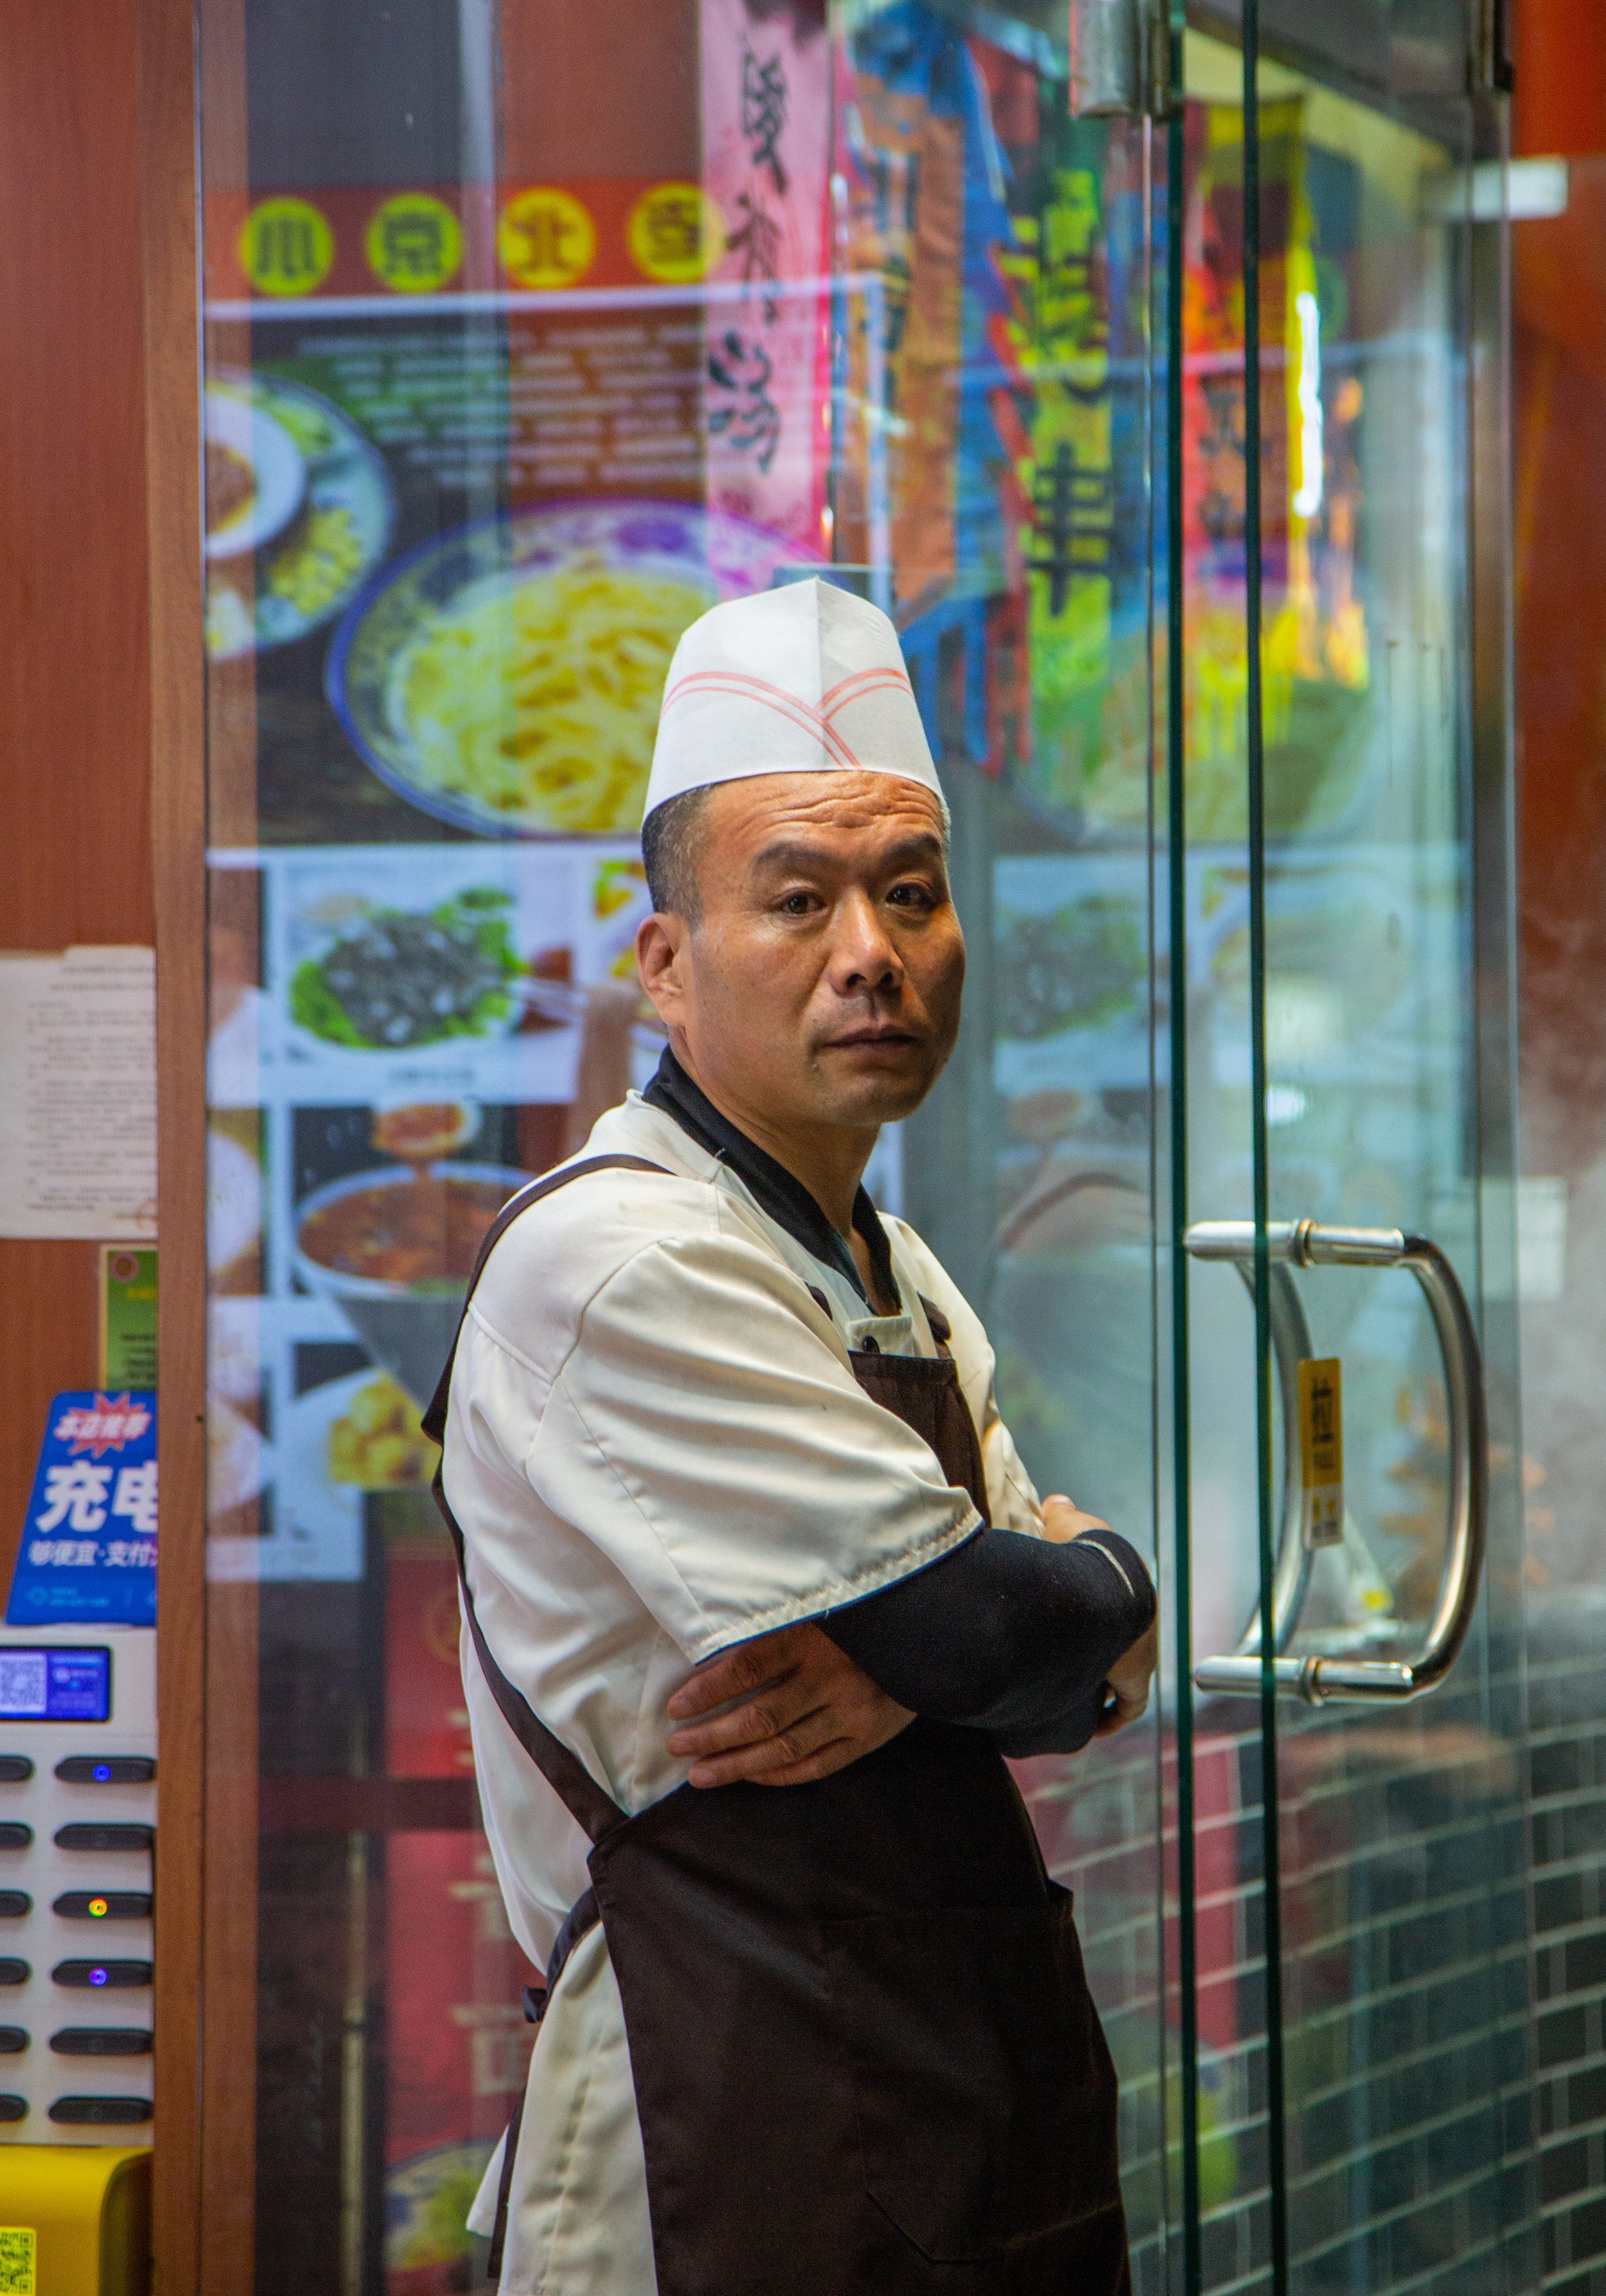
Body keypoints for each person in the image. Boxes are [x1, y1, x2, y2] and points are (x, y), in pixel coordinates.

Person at [432, 579, 1158, 2295]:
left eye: (909, 893)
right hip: (719, 2116)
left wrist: (1006, 1633)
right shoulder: (624, 1255)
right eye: (796, 899)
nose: (869, 953)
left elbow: (1062, 1674)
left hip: (952, 2079)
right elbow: (1002, 1632)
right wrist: (1072, 1596)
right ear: (662, 965)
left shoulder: (886, 1265)